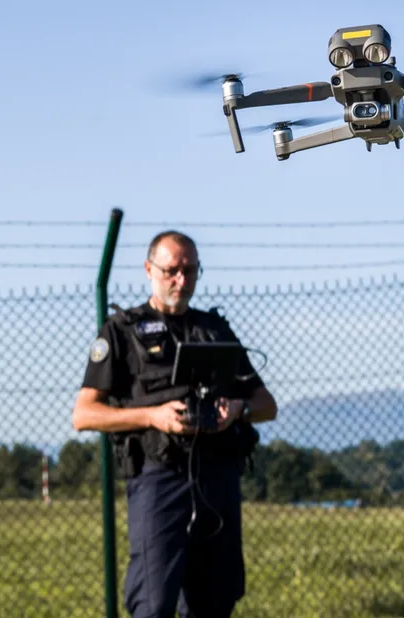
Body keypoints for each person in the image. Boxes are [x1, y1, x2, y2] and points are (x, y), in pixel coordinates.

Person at [72, 230, 278, 618]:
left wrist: (238, 409)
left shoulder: (215, 330)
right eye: (171, 271)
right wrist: (152, 416)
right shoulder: (121, 332)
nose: (181, 281)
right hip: (158, 477)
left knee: (215, 600)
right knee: (154, 602)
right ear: (149, 270)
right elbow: (84, 414)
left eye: (190, 271)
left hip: (217, 476)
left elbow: (266, 404)